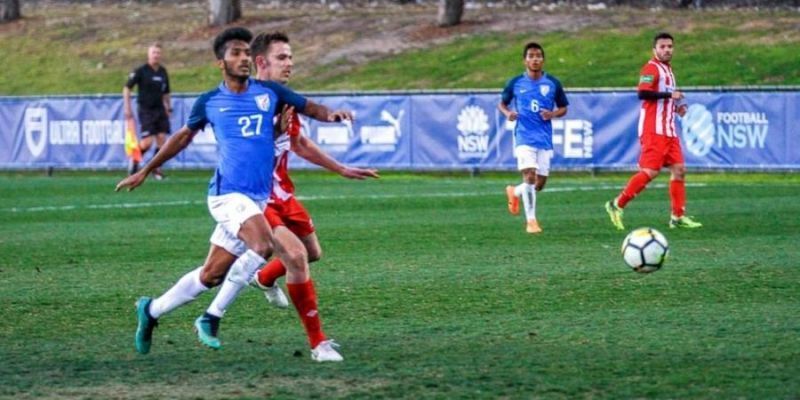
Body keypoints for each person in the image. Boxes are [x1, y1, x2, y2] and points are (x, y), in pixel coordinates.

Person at [115, 27, 362, 362]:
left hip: (255, 200)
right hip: (227, 196)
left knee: (211, 275)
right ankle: (213, 317)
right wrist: (145, 169)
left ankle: (152, 310)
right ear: (221, 62)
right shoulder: (210, 101)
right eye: (235, 53)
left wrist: (331, 114)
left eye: (246, 52)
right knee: (263, 244)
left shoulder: (269, 92)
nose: (243, 58)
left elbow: (309, 107)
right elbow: (181, 137)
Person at [246, 32, 377, 318]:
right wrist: (272, 132)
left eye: (291, 57)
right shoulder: (246, 102)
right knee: (295, 256)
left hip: (281, 192)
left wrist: (341, 168)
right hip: (254, 194)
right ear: (261, 62)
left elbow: (300, 144)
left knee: (313, 252)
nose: (289, 63)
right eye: (281, 57)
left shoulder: (286, 100)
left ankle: (263, 278)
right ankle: (318, 341)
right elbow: (242, 153)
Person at [605, 32, 702, 230]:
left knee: (679, 170)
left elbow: (662, 99)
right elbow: (643, 92)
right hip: (653, 129)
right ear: (655, 50)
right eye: (663, 46)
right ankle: (616, 204)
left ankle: (677, 216)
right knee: (650, 171)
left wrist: (677, 107)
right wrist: (670, 94)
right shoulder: (651, 68)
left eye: (670, 46)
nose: (667, 50)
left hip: (669, 130)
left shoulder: (669, 70)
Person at [498, 42, 569, 234]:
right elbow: (502, 104)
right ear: (525, 60)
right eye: (531, 56)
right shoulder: (515, 83)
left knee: (539, 183)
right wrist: (508, 113)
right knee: (529, 174)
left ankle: (515, 191)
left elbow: (564, 108)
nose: (535, 59)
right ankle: (531, 221)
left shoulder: (552, 83)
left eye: (538, 55)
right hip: (523, 135)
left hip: (544, 138)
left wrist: (552, 114)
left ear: (543, 59)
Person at [123, 42, 172, 179]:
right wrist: (127, 107)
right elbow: (127, 88)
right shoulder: (141, 70)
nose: (156, 55)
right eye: (153, 52)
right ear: (149, 54)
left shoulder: (163, 71)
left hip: (160, 110)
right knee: (147, 142)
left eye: (158, 53)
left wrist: (168, 107)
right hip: (146, 109)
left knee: (162, 140)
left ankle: (156, 168)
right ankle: (135, 160)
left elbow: (166, 92)